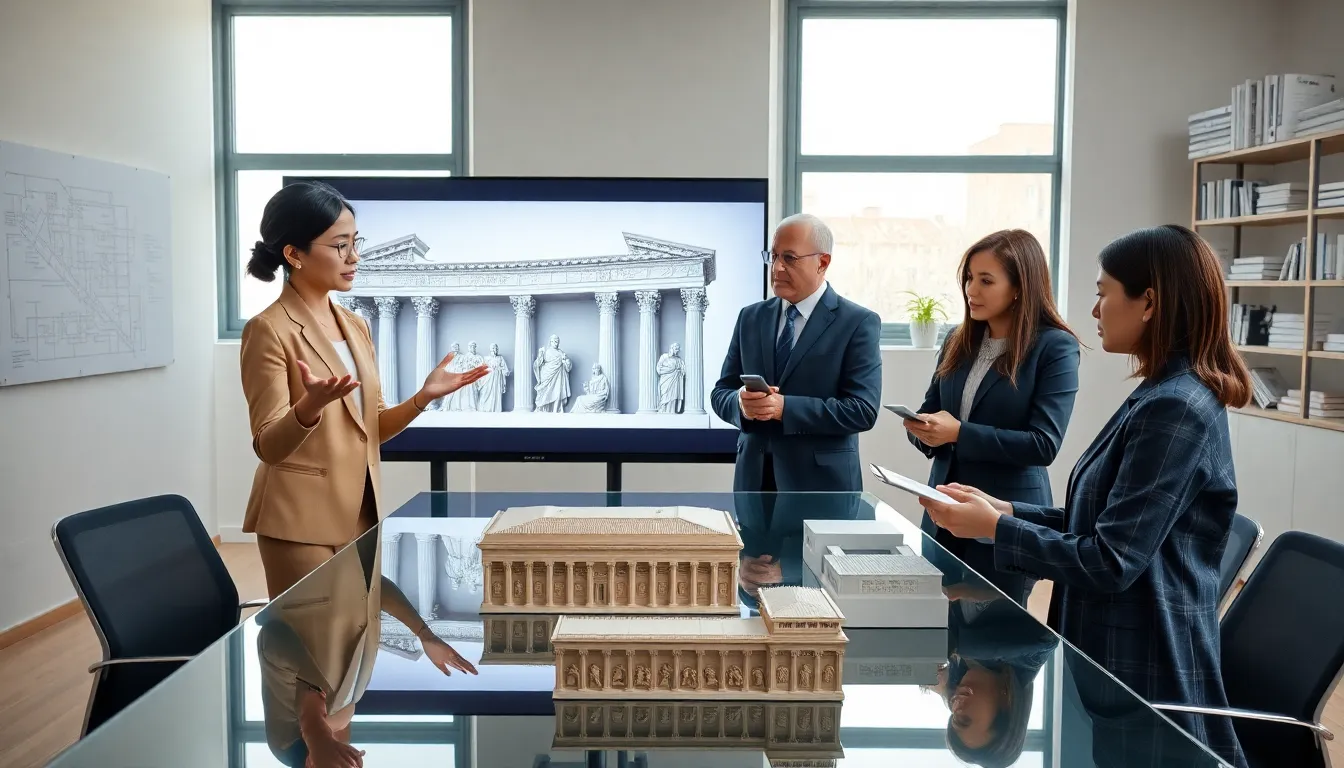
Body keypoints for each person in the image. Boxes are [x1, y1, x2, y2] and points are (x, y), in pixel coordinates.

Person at [918, 224, 1251, 767]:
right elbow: (1102, 522)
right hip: (1110, 654)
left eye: (1103, 293)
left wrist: (996, 528)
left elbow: (1110, 560)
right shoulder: (1159, 394)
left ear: (1149, 303)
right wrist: (1008, 510)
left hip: (1138, 670)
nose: (1094, 310)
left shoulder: (1175, 408)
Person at [240, 181, 488, 599]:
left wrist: (422, 399)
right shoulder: (268, 329)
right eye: (341, 245)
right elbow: (267, 445)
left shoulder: (356, 326)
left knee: (360, 637)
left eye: (356, 242)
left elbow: (371, 427)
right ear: (294, 254)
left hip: (361, 513)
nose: (354, 256)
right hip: (299, 524)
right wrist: (308, 409)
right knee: (315, 640)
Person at [904, 229, 1080, 605]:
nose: (971, 290)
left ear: (1019, 287)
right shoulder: (957, 339)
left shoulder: (1055, 347)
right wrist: (923, 430)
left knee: (995, 632)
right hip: (942, 513)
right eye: (969, 278)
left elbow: (1043, 444)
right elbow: (931, 410)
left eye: (986, 280)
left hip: (1004, 520)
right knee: (939, 625)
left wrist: (958, 433)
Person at [711, 213, 882, 590]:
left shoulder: (857, 322)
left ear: (823, 262)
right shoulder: (751, 318)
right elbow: (720, 392)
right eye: (772, 256)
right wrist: (740, 404)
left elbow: (863, 410)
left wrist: (785, 408)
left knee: (815, 604)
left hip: (822, 497)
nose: (777, 267)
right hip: (754, 492)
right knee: (754, 599)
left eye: (789, 258)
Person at [259, 531, 475, 767]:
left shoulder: (288, 743)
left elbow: (270, 640)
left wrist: (314, 731)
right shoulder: (349, 699)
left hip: (302, 547)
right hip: (351, 540)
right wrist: (425, 634)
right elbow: (372, 590)